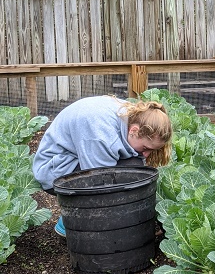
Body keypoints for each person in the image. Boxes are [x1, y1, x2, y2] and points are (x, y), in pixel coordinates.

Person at [32, 95, 173, 237]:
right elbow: (100, 185)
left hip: (79, 158)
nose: (147, 154)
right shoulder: (101, 135)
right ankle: (72, 219)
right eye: (145, 148)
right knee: (126, 178)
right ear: (134, 130)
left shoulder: (137, 115)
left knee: (133, 169)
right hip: (55, 170)